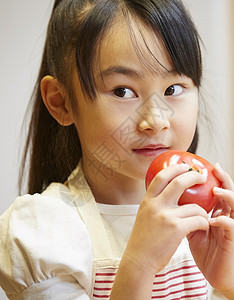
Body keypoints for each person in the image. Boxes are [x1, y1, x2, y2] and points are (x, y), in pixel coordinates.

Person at [0, 0, 234, 299]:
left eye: (172, 89)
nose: (155, 121)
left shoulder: (206, 218)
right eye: (123, 91)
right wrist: (140, 264)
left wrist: (227, 284)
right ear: (61, 101)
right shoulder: (45, 234)